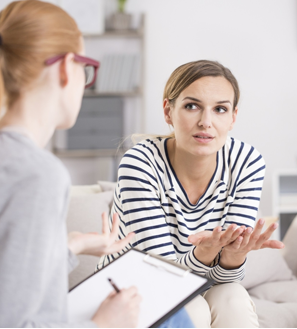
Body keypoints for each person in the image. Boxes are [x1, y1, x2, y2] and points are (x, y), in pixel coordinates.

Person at [0, 0, 144, 327]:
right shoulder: (35, 173)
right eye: (87, 68)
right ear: (67, 67)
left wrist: (73, 243)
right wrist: (105, 325)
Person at [97, 60, 285, 327]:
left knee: (233, 298)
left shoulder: (246, 161)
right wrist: (205, 255)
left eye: (220, 109)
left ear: (232, 118)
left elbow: (226, 279)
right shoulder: (140, 163)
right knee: (192, 309)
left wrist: (234, 257)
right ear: (168, 111)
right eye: (192, 106)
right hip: (129, 288)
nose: (205, 122)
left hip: (195, 280)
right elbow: (162, 275)